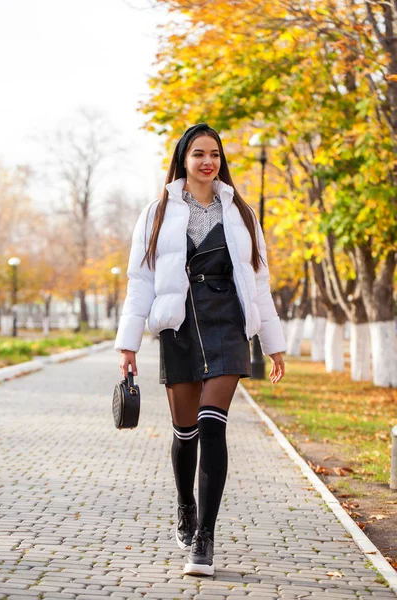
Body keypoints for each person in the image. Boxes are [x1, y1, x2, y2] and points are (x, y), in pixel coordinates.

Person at [115, 123, 286, 576]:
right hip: (180, 328)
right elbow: (141, 281)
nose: (207, 162)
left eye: (214, 154)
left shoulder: (242, 213)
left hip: (229, 325)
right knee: (185, 430)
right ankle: (185, 506)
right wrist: (127, 344)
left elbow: (260, 282)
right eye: (198, 154)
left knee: (213, 426)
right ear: (183, 160)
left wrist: (274, 345)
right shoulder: (157, 211)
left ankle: (204, 539)